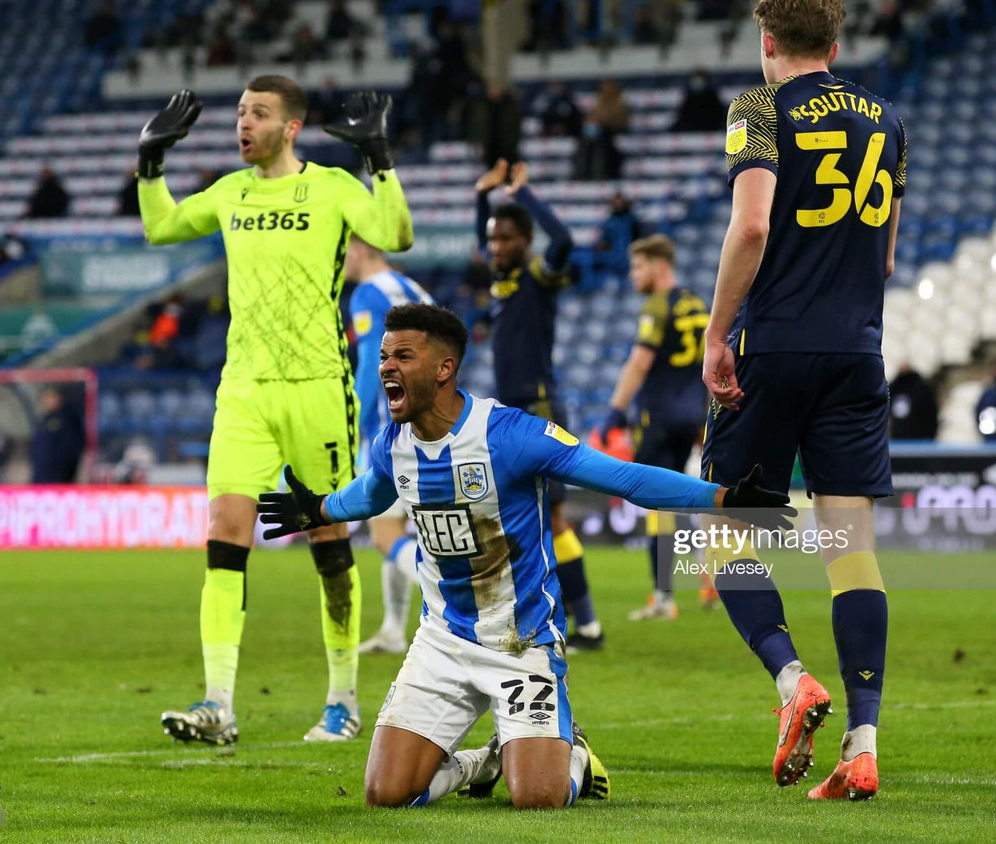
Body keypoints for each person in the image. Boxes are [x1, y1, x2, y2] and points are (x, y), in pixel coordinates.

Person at [255, 303, 794, 809]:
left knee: (538, 797)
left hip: (520, 642)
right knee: (385, 793)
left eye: (401, 356)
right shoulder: (392, 441)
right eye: (382, 357)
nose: (386, 367)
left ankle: (575, 754)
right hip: (441, 640)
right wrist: (321, 509)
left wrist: (722, 497)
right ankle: (478, 763)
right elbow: (375, 492)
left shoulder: (510, 435)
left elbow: (622, 477)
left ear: (444, 368)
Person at [135, 76, 413, 746]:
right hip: (245, 391)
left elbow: (396, 233)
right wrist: (150, 162)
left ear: (290, 127)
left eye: (258, 113)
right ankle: (218, 704)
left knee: (327, 538)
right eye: (239, 112)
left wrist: (379, 158)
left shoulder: (333, 187)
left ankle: (342, 700)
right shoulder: (230, 193)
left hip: (318, 387)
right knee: (225, 530)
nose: (243, 123)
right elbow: (160, 225)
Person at [699, 0, 908, 801]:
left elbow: (752, 224)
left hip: (773, 347)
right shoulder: (887, 119)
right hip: (858, 354)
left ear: (767, 43)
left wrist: (719, 333)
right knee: (850, 551)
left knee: (716, 531)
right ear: (836, 42)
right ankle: (864, 743)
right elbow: (885, 255)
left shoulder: (757, 108)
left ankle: (792, 682)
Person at [475, 159, 603, 651]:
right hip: (512, 412)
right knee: (527, 517)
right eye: (492, 238)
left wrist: (523, 194)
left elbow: (565, 241)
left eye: (505, 238)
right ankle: (550, 612)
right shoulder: (502, 281)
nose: (496, 246)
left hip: (541, 409)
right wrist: (482, 198)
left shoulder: (536, 278)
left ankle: (588, 622)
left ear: (525, 242)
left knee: (554, 519)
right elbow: (483, 234)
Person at [600, 235, 709, 620]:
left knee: (656, 505)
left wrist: (615, 412)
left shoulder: (657, 306)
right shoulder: (697, 303)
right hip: (692, 413)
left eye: (638, 266)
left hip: (658, 416)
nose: (634, 276)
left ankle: (663, 598)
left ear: (659, 265)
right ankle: (708, 568)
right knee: (681, 497)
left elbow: (639, 363)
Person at [343, 236, 434, 655]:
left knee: (384, 535)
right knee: (404, 528)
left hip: (390, 429)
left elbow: (369, 367)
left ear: (359, 249)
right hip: (431, 423)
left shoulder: (367, 294)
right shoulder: (412, 288)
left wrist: (357, 420)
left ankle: (455, 598)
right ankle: (394, 629)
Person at [30, 387, 85, 484]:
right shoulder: (44, 419)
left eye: (50, 397)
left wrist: (66, 472)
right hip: (41, 474)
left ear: (59, 397)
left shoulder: (68, 419)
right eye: (45, 398)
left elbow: (73, 447)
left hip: (58, 475)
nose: (47, 401)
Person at [887, 362, 938, 440]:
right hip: (898, 440)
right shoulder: (894, 389)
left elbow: (931, 414)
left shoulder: (923, 390)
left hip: (919, 440)